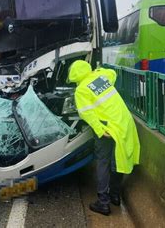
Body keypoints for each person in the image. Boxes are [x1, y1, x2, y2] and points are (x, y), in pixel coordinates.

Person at [68, 60, 140, 216]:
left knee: (103, 162)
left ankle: (103, 203)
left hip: (107, 127)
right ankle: (115, 195)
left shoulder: (80, 90)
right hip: (123, 122)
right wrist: (98, 70)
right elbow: (112, 73)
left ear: (74, 76)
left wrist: (100, 130)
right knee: (118, 160)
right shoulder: (101, 77)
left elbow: (87, 113)